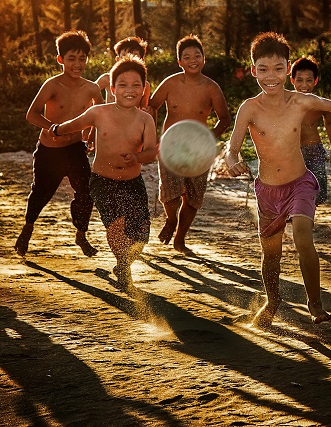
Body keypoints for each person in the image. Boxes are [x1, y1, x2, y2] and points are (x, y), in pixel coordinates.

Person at [225, 32, 331, 328]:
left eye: (279, 69)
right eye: (263, 70)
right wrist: (232, 160)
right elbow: (232, 146)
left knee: (303, 237)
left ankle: (315, 304)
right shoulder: (249, 108)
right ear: (253, 70)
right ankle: (272, 300)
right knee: (271, 256)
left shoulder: (300, 102)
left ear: (288, 68)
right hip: (267, 191)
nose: (271, 77)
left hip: (299, 184)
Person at [49, 57, 158, 288]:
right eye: (123, 84)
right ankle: (124, 270)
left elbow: (151, 152)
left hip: (132, 182)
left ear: (144, 88)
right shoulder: (99, 112)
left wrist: (137, 157)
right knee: (116, 226)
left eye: (136, 85)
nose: (130, 90)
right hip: (103, 181)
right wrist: (57, 129)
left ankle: (123, 264)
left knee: (140, 236)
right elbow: (75, 124)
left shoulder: (145, 119)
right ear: (112, 88)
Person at [15, 30, 104, 258]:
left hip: (75, 150)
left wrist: (90, 137)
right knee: (40, 194)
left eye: (82, 58)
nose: (77, 64)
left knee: (86, 191)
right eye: (71, 58)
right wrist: (51, 127)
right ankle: (28, 227)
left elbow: (100, 116)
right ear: (60, 59)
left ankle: (81, 234)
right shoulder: (52, 85)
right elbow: (31, 114)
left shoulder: (92, 88)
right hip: (49, 151)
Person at [149, 34, 231, 254]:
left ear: (203, 58)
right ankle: (170, 219)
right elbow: (152, 106)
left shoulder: (211, 87)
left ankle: (180, 239)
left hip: (198, 150)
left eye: (197, 55)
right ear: (179, 61)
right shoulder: (170, 83)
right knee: (171, 193)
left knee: (193, 198)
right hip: (170, 145)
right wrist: (153, 136)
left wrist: (209, 137)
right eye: (187, 57)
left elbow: (225, 118)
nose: (192, 60)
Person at [290, 56, 331, 205]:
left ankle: (307, 216)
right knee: (293, 187)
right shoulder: (287, 102)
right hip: (292, 151)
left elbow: (329, 123)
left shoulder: (320, 103)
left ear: (315, 81)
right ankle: (295, 214)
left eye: (309, 80)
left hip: (314, 150)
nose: (304, 85)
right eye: (299, 80)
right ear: (292, 81)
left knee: (317, 190)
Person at [95, 36, 151, 108]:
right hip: (109, 118)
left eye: (134, 57)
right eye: (124, 57)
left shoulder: (144, 85)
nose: (129, 61)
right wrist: (97, 107)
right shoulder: (106, 79)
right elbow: (89, 92)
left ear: (142, 61)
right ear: (118, 60)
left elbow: (143, 109)